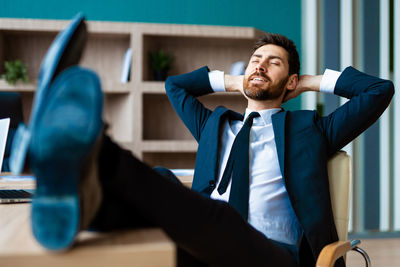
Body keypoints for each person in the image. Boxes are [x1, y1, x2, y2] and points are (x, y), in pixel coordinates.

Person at [29, 32, 394, 267]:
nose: (261, 66)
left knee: (218, 220)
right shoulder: (215, 125)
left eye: (274, 62)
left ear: (291, 80)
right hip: (205, 246)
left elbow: (379, 91)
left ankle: (96, 157)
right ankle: (87, 208)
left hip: (274, 256)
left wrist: (311, 83)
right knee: (162, 182)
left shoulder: (310, 129)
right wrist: (234, 80)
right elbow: (175, 87)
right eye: (256, 60)